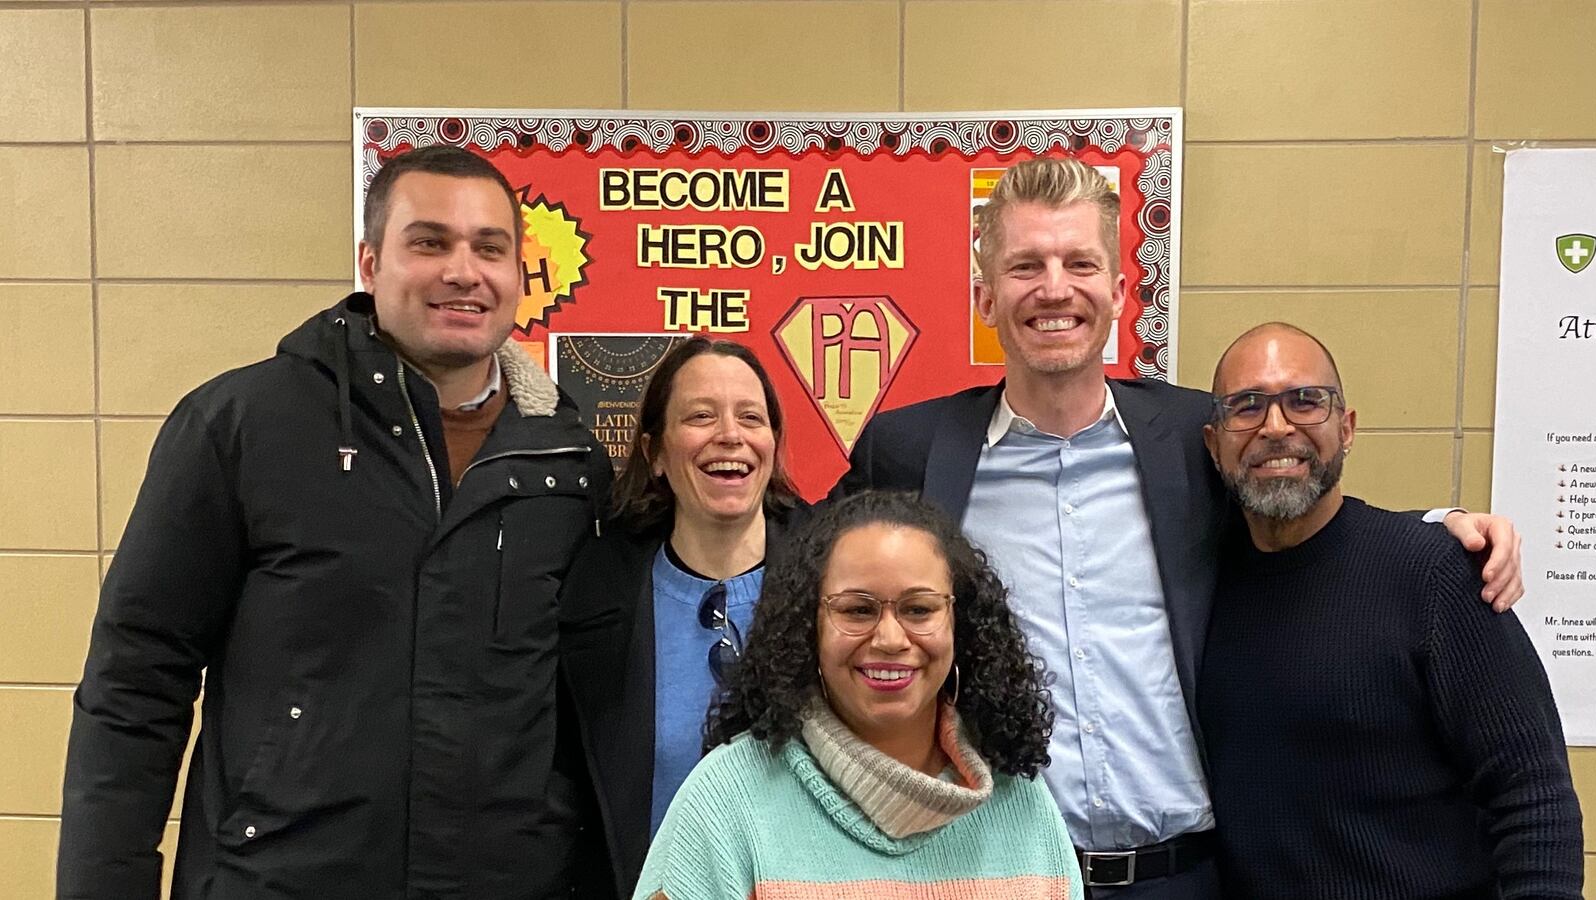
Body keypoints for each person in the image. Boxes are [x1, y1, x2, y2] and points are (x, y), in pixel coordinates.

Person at [831, 157, 1527, 896]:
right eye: (1026, 265)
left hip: (1187, 876)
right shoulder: (909, 451)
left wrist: (1437, 528)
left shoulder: (1199, 434)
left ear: (1119, 292)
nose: (1055, 288)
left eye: (1080, 263)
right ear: (986, 296)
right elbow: (798, 566)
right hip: (996, 871)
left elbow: (1308, 512)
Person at [58, 145, 613, 898]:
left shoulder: (568, 460)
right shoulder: (245, 425)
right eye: (429, 242)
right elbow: (135, 684)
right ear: (370, 261)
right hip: (278, 879)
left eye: (491, 248)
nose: (463, 270)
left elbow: (591, 708)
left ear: (519, 276)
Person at [1197, 323, 1583, 898]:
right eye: (1247, 406)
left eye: (1305, 401)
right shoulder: (1196, 583)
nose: (1276, 428)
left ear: (1346, 428)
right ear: (1214, 443)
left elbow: (1533, 795)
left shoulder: (1438, 575)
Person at [634, 490, 1082, 899]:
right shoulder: (725, 803)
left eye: (919, 609)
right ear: (808, 628)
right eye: (857, 610)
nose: (890, 638)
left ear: (959, 623)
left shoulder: (1022, 803)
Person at [559, 337, 806, 898]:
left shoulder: (837, 588)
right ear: (656, 453)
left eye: (751, 416)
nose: (730, 435)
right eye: (700, 416)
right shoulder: (592, 596)